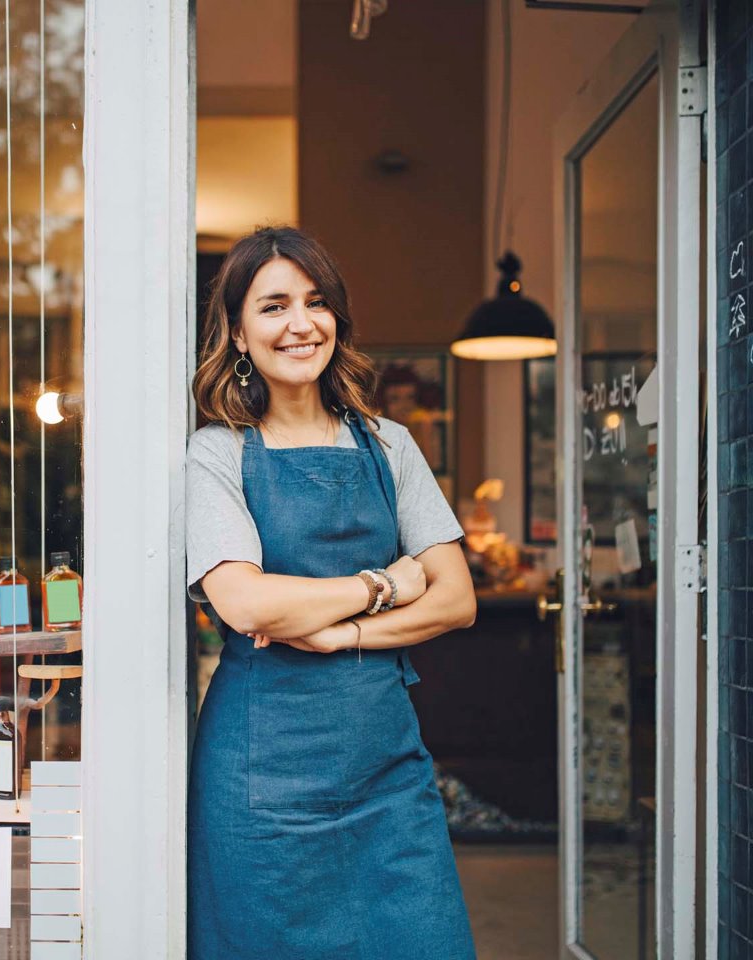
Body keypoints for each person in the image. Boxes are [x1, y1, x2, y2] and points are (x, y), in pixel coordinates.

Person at [186, 226, 477, 959]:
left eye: (316, 303)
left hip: (385, 768)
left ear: (337, 322)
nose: (299, 324)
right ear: (239, 332)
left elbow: (454, 599)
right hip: (261, 776)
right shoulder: (217, 451)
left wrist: (338, 633)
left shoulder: (388, 443)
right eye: (274, 306)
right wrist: (386, 583)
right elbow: (244, 604)